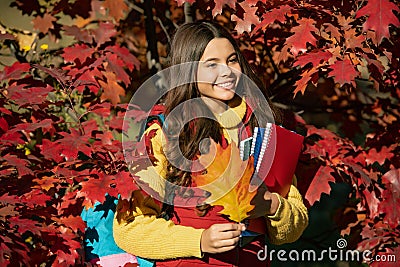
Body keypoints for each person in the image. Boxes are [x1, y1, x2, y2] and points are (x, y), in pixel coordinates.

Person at [113, 21, 308, 266]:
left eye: (232, 60)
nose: (226, 71)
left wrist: (272, 205)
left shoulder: (261, 126)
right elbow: (128, 227)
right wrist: (199, 241)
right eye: (211, 65)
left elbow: (294, 227)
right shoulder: (165, 132)